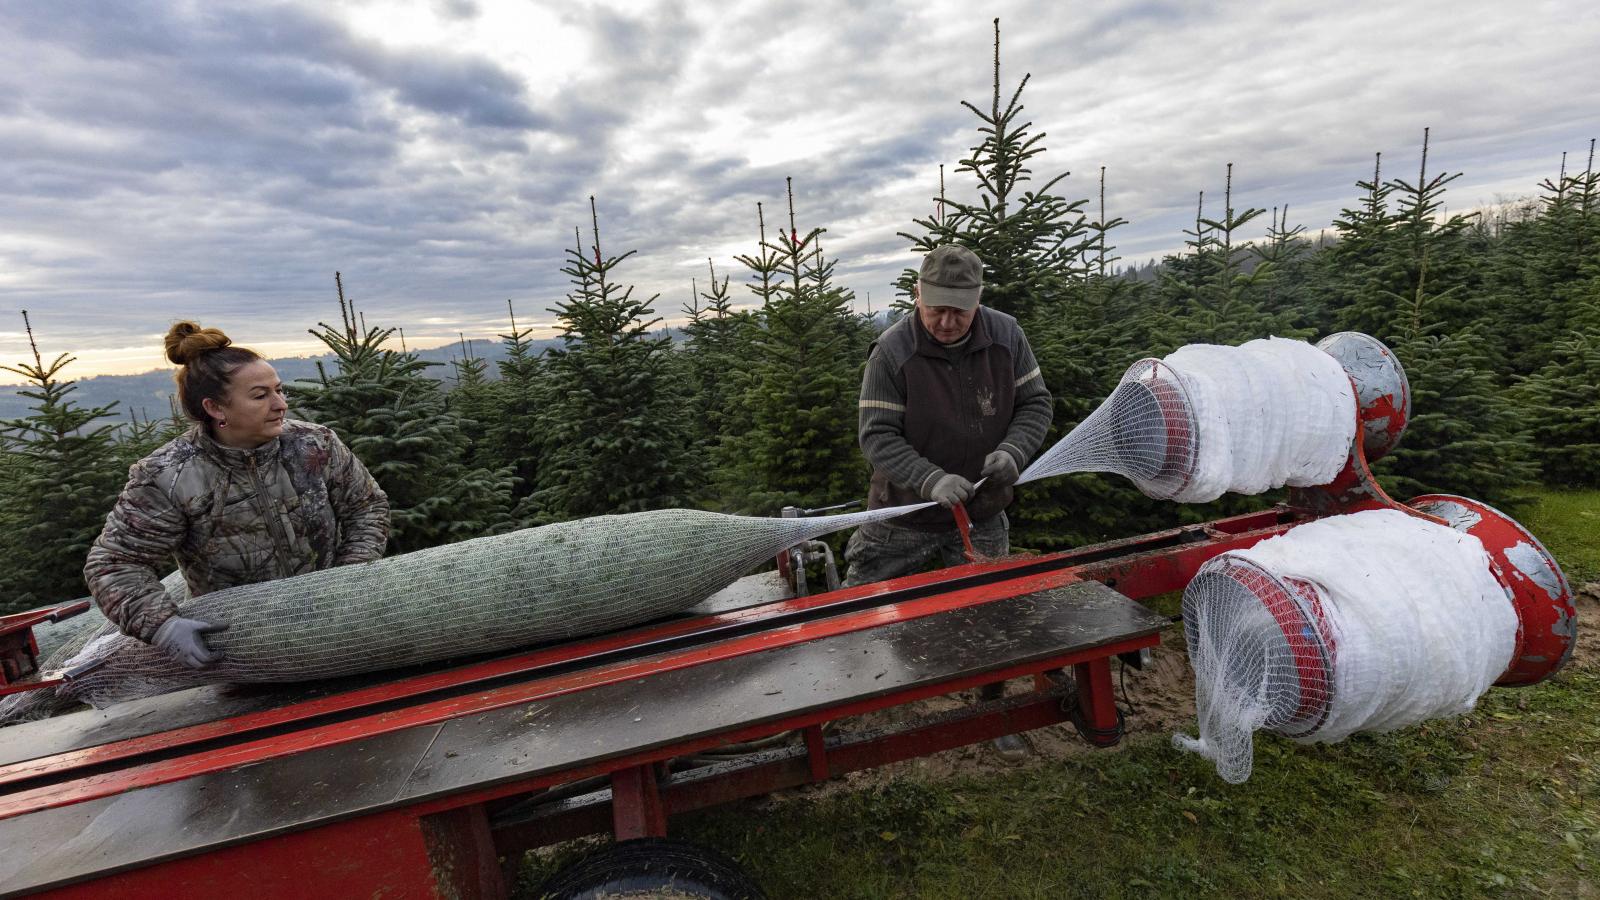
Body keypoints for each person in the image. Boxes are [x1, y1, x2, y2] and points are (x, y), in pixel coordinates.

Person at [844, 244, 1054, 758]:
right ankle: (840, 713)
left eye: (958, 310)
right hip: (902, 516)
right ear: (917, 295)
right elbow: (876, 435)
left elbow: (1036, 404)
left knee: (993, 615)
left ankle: (993, 713)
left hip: (982, 513)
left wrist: (1013, 451)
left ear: (978, 300)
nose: (944, 320)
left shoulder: (1007, 338)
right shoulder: (894, 351)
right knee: (853, 607)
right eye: (934, 307)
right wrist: (929, 478)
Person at [83, 322, 390, 669]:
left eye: (279, 390)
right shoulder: (168, 475)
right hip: (244, 647)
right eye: (260, 395)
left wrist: (348, 578)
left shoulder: (313, 444)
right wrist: (163, 626)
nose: (280, 404)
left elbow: (366, 506)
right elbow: (114, 562)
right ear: (216, 408)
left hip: (338, 622)